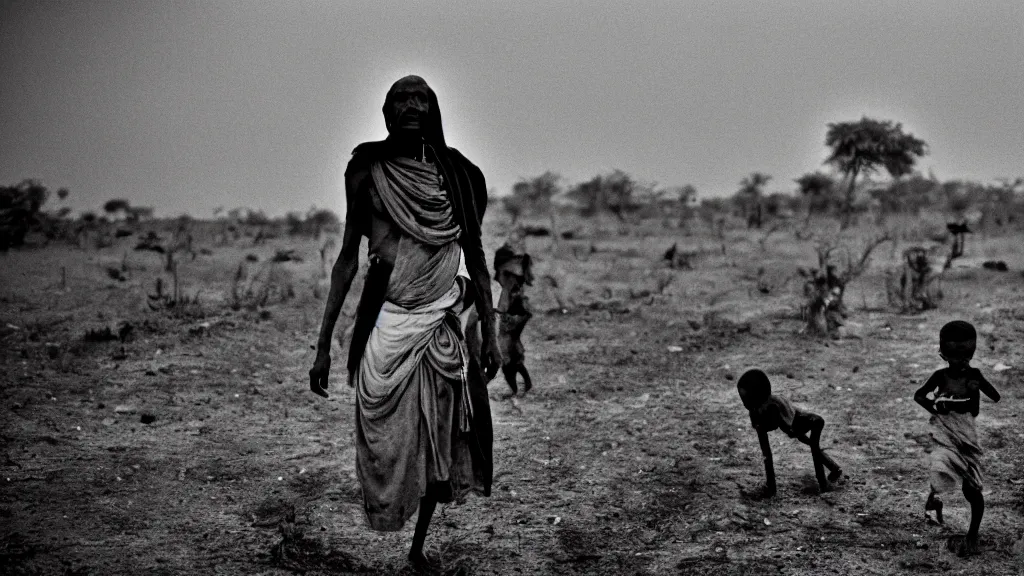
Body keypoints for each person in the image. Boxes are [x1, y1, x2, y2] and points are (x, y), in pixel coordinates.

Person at [308, 75, 502, 568]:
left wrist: (492, 338)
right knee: (386, 445)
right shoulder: (366, 173)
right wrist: (323, 345)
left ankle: (417, 550)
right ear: (387, 111)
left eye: (422, 98)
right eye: (402, 98)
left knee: (441, 445)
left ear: (434, 109)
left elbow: (476, 259)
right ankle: (397, 522)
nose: (412, 105)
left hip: (440, 329)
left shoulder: (462, 176)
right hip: (388, 328)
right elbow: (347, 260)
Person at [913, 320, 1000, 557]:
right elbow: (919, 395)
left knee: (972, 489)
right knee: (940, 465)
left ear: (972, 352)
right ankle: (935, 499)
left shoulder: (974, 375)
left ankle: (972, 535)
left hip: (966, 436)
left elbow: (988, 401)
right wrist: (935, 406)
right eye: (954, 356)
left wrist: (977, 387)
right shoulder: (940, 377)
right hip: (943, 431)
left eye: (966, 355)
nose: (961, 361)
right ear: (943, 354)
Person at [737, 369, 843, 498]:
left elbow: (790, 428)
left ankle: (824, 485)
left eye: (746, 397)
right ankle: (834, 470)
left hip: (812, 422)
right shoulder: (756, 411)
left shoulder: (775, 406)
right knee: (809, 445)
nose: (745, 402)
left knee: (814, 449)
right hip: (794, 427)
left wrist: (781, 427)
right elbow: (766, 453)